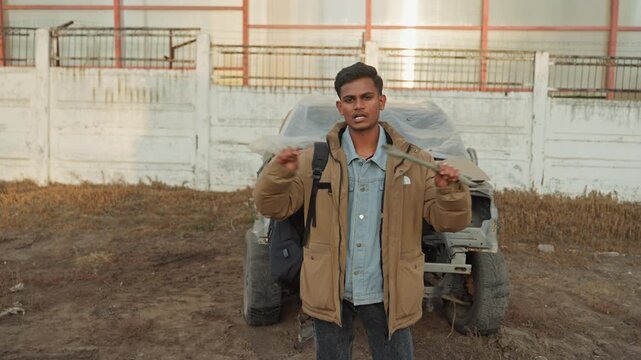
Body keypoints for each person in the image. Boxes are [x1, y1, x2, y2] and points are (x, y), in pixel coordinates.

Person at [253, 62, 471, 360]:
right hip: (331, 289)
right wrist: (279, 173)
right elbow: (273, 208)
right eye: (350, 99)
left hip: (388, 291)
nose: (359, 106)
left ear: (381, 102)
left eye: (367, 97)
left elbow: (449, 221)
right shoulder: (314, 160)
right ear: (339, 106)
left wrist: (449, 192)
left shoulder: (415, 162)